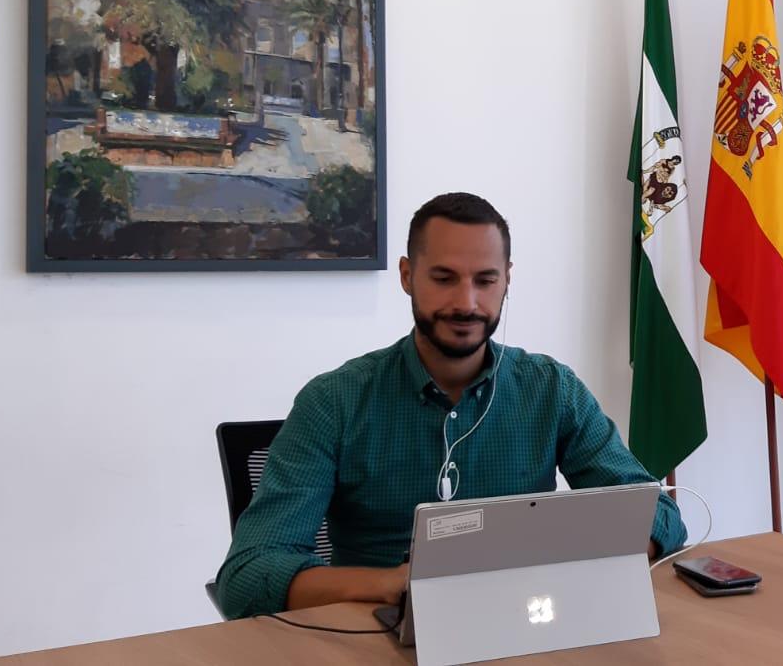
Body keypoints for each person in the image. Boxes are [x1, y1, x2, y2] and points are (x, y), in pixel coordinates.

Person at [214, 192, 686, 618]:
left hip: (525, 625)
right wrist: (397, 585)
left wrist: (565, 563)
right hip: (375, 636)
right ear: (406, 276)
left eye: (485, 280)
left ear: (507, 281)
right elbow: (249, 575)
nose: (467, 302)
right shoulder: (333, 401)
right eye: (444, 278)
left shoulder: (551, 389)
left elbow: (659, 515)